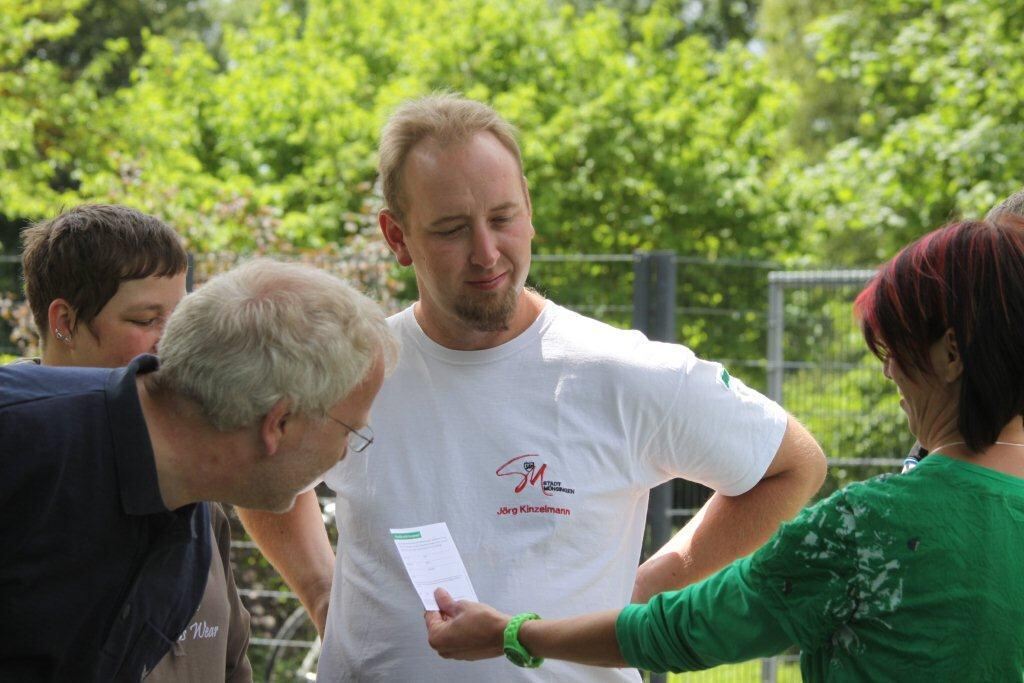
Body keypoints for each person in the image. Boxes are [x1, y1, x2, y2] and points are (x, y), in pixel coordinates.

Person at [237, 93, 826, 682]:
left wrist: (645, 590)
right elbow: (253, 466)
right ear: (396, 236)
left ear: (529, 209)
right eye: (450, 229)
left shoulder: (621, 371)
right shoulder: (351, 373)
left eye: (503, 217)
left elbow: (793, 464)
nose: (487, 253)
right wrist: (319, 591)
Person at [424, 215, 1024, 680]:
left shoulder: (871, 524)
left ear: (950, 353)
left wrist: (514, 634)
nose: (889, 373)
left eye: (892, 350)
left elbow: (683, 631)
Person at [1, 256, 398, 681]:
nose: (344, 453)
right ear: (278, 423)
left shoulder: (188, 514)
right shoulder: (22, 440)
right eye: (349, 432)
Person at [18, 204, 251, 682]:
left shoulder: (191, 484)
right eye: (147, 319)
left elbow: (232, 664)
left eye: (182, 318)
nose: (174, 343)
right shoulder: (20, 474)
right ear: (64, 320)